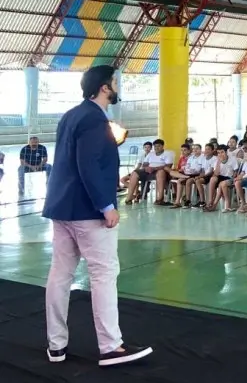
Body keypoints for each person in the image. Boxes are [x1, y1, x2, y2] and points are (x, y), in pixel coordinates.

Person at [42, 65, 152, 367]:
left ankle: (56, 345)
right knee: (104, 274)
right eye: (114, 83)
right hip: (88, 211)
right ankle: (110, 346)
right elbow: (88, 164)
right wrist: (106, 205)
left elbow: (74, 160)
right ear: (104, 87)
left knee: (60, 274)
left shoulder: (71, 115)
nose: (116, 87)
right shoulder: (93, 118)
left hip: (62, 207)